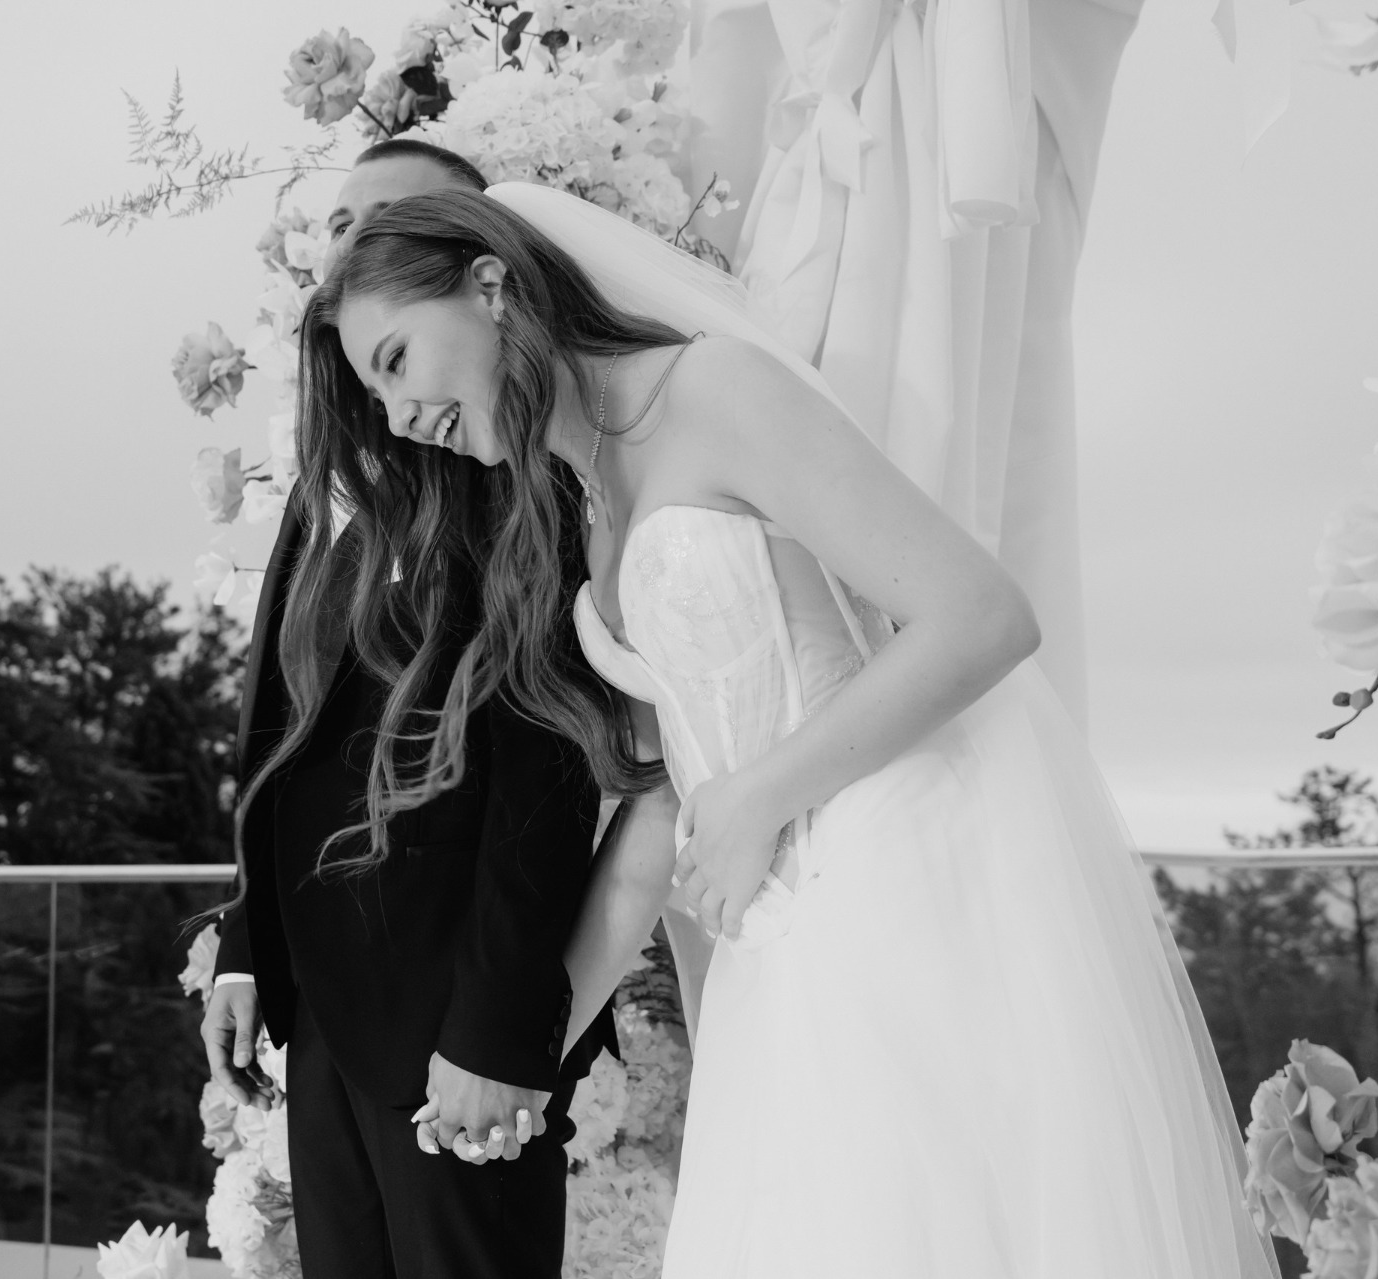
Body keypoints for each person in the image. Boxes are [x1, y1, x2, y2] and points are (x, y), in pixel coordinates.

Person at [302, 183, 1279, 1279]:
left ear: (488, 285)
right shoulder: (583, 502)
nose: (397, 415)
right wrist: (522, 1051)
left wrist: (760, 796)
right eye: (375, 395)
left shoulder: (713, 387)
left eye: (394, 361)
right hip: (775, 954)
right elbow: (665, 809)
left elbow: (981, 615)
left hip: (901, 885)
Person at [199, 140, 619, 1279]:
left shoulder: (527, 470)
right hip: (325, 1017)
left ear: (473, 258)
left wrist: (497, 1025)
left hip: (456, 1023)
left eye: (381, 225)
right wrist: (247, 942)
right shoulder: (333, 477)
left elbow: (549, 767)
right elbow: (280, 728)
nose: (348, 249)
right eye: (340, 226)